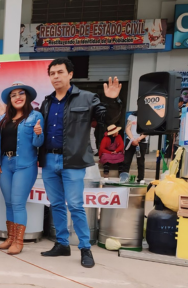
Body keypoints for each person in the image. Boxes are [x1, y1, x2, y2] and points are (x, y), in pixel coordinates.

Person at [39, 58, 122, 268]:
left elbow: (107, 119)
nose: (56, 76)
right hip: (49, 160)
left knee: (75, 205)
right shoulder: (47, 102)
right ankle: (62, 244)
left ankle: (85, 248)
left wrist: (112, 100)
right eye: (52, 73)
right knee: (56, 204)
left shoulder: (87, 98)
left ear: (70, 74)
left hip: (73, 160)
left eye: (60, 72)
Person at [0, 82, 44, 255]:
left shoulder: (35, 116)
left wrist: (38, 133)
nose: (17, 97)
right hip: (5, 164)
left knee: (18, 203)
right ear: (9, 100)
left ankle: (19, 242)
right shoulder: (3, 119)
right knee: (8, 203)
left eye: (21, 94)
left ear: (27, 97)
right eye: (13, 95)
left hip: (25, 166)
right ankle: (10, 238)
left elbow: (39, 144)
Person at [122, 114, 148, 182]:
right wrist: (133, 139)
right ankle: (124, 177)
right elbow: (127, 128)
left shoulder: (148, 116)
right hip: (131, 139)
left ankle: (140, 178)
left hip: (142, 141)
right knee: (126, 160)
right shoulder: (132, 116)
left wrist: (138, 139)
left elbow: (148, 130)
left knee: (140, 161)